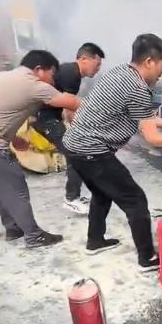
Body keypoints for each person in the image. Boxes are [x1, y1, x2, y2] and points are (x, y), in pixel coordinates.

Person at [63, 33, 162, 272]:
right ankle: (147, 258)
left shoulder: (120, 73)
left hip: (75, 146)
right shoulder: (138, 88)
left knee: (102, 193)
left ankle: (95, 241)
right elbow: (151, 136)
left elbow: (143, 115)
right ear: (149, 62)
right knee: (135, 200)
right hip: (92, 150)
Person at [0, 50, 81, 248]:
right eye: (52, 74)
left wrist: (13, 138)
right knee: (16, 188)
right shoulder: (32, 84)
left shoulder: (4, 78)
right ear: (39, 69)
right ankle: (33, 236)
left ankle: (13, 229)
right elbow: (72, 103)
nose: (52, 81)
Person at [34, 42, 105, 215]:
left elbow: (67, 107)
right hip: (45, 119)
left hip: (49, 118)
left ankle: (74, 196)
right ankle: (71, 199)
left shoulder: (71, 72)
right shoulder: (72, 73)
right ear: (84, 59)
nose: (98, 69)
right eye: (97, 64)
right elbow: (70, 107)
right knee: (77, 153)